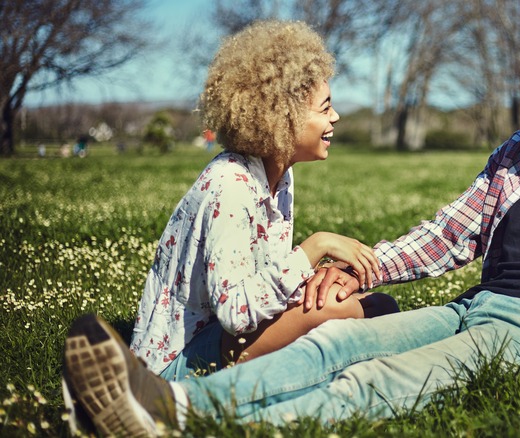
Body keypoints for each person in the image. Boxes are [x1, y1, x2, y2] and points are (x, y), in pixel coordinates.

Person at [62, 9, 520, 436]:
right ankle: (171, 406)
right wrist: (351, 270)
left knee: (381, 381)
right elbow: (448, 235)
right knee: (335, 343)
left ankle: (203, 422)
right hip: (479, 304)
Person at [62, 19, 400, 435]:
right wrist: (315, 248)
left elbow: (264, 282)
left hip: (226, 338)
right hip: (175, 368)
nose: (336, 116)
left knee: (375, 306)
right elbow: (237, 311)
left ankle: (326, 367)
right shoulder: (230, 186)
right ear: (284, 117)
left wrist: (316, 279)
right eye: (325, 106)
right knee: (344, 311)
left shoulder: (279, 177)